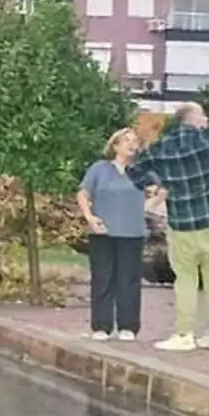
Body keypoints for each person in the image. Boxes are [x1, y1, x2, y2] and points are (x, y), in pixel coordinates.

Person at [127, 103, 209, 352]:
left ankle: (184, 334)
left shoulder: (161, 149)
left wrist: (160, 182)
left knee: (185, 281)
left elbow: (134, 173)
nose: (207, 119)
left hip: (182, 226)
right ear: (193, 119)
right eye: (203, 116)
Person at [76, 128, 147, 341]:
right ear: (115, 146)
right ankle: (101, 326)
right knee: (102, 278)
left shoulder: (142, 170)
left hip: (132, 232)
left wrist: (147, 206)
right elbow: (83, 193)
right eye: (126, 140)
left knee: (129, 280)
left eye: (134, 141)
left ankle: (128, 326)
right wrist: (89, 216)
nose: (131, 144)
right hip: (102, 232)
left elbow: (162, 189)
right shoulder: (99, 169)